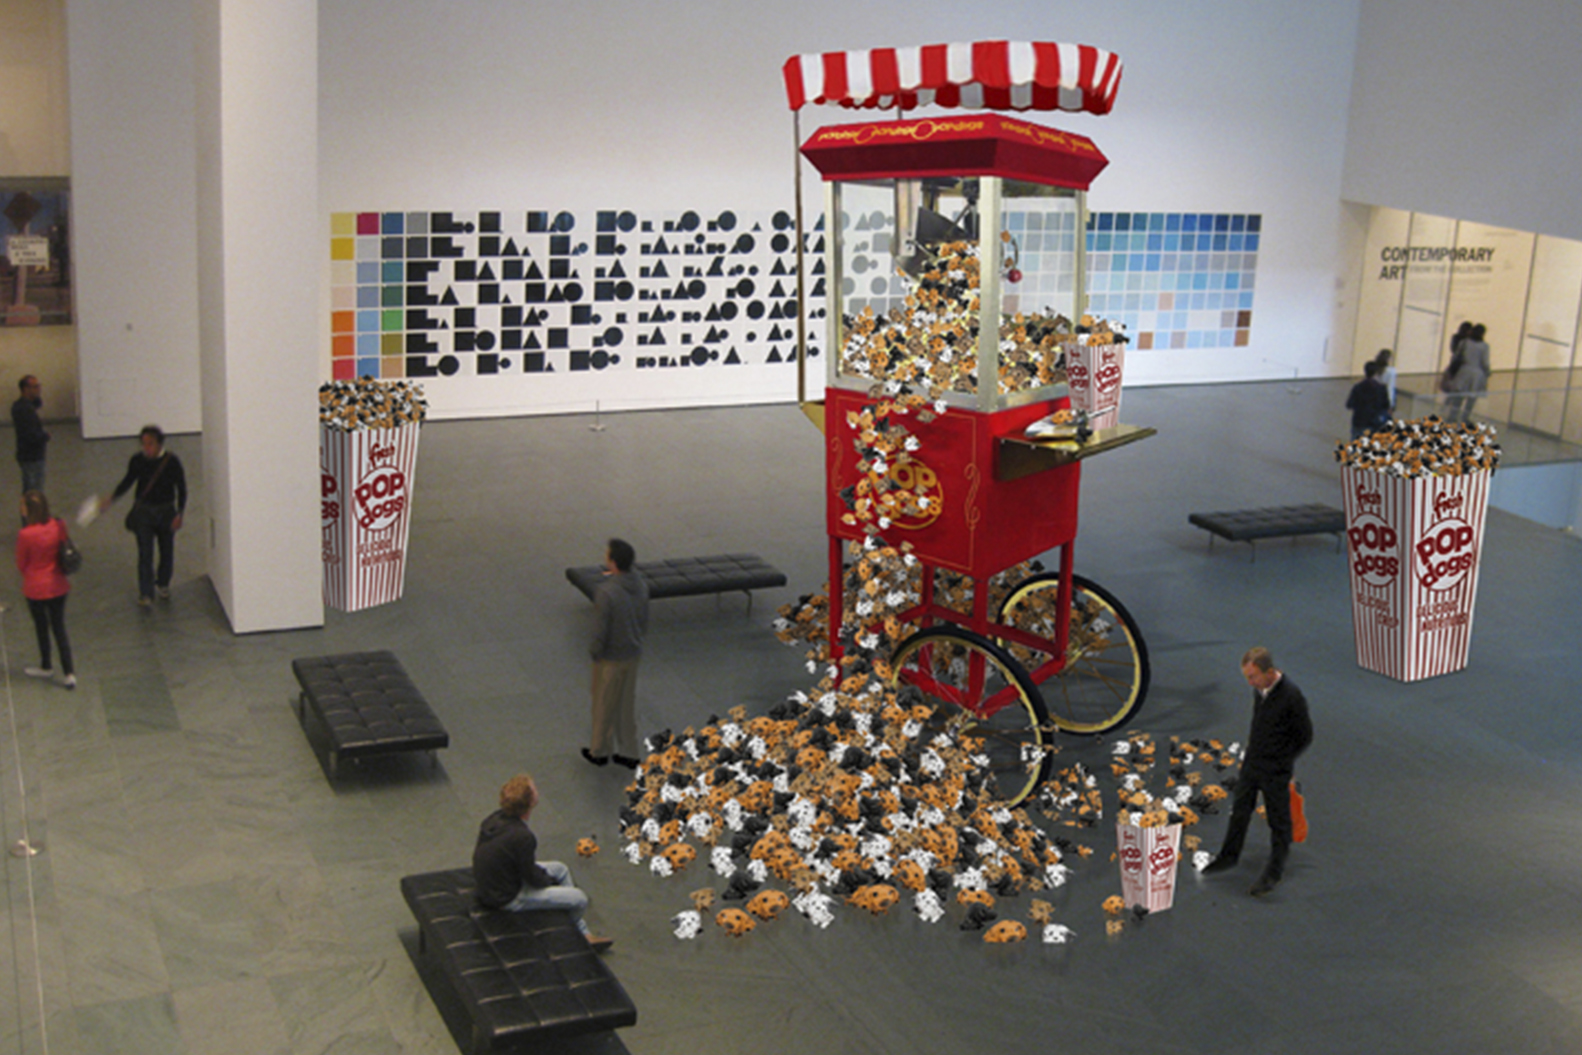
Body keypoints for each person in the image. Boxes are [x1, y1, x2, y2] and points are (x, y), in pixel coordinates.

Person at [1201, 647, 1313, 897]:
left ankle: (1274, 872)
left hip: (1275, 769)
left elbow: (1305, 735)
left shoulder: (1291, 696)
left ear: (1269, 672)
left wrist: (1283, 761)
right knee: (1240, 811)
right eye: (1247, 677)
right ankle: (1228, 856)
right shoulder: (1260, 690)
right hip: (1253, 764)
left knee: (1278, 821)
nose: (1250, 682)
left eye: (1253, 677)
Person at [472, 774, 611, 950]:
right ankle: (577, 934)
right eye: (534, 788)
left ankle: (577, 926)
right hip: (507, 897)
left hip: (495, 882)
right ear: (530, 802)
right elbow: (531, 876)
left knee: (560, 868)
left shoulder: (494, 818)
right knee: (580, 899)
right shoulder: (523, 836)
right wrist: (547, 881)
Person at [99, 425, 188, 606]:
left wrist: (180, 513)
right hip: (144, 513)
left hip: (166, 511)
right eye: (144, 444)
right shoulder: (137, 461)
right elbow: (128, 481)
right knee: (145, 553)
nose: (146, 448)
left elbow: (182, 488)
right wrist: (113, 497)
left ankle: (163, 582)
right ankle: (146, 592)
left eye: (150, 444)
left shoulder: (172, 462)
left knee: (166, 550)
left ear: (159, 444)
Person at [584, 538, 649, 769]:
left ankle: (600, 751)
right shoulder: (641, 585)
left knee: (604, 704)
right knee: (626, 704)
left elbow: (600, 630)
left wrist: (595, 653)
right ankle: (629, 752)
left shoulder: (607, 592)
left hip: (610, 657)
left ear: (613, 562)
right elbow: (643, 620)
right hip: (633, 653)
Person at [16, 490, 75, 688]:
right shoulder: (59, 525)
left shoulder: (25, 534)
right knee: (59, 627)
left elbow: (21, 563)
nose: (20, 509)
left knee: (41, 626)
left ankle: (46, 665)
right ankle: (69, 673)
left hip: (36, 588)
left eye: (23, 505)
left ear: (30, 510)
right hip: (58, 584)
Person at [1444, 323, 1490, 423]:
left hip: (1464, 371)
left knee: (1459, 396)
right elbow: (1485, 362)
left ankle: (1453, 416)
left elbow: (1456, 356)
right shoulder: (1484, 346)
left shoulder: (1464, 342)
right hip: (1477, 374)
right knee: (1471, 398)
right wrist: (1488, 372)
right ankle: (1465, 417)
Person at [12, 376, 49, 493]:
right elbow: (30, 435)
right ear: (26, 389)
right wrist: (45, 436)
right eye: (35, 386)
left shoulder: (24, 405)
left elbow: (38, 404)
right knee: (34, 490)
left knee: (31, 487)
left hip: (29, 455)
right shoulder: (24, 409)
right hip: (31, 456)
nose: (39, 389)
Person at [1345, 360, 1392, 439]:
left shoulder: (1358, 387)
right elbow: (1386, 405)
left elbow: (1349, 404)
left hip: (1359, 421)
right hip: (1375, 422)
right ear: (1376, 373)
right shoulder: (1381, 388)